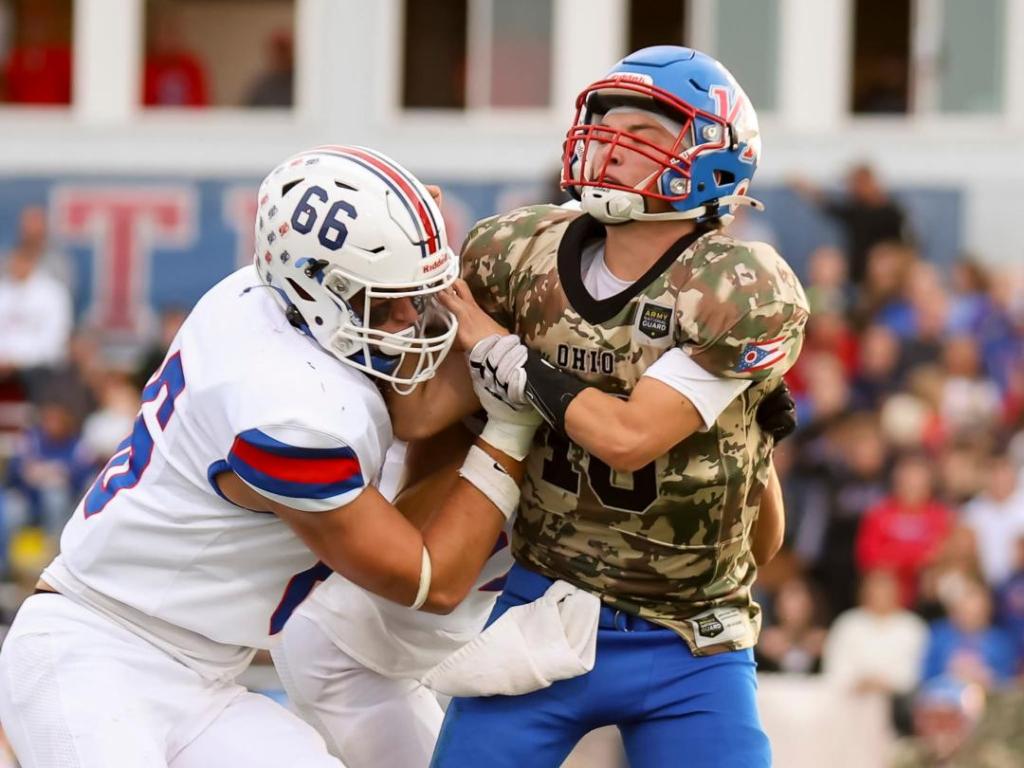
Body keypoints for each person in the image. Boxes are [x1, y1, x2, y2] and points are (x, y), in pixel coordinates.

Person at [0, 145, 538, 768]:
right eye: (383, 299)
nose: (405, 317)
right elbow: (431, 579)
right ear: (319, 291)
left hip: (206, 679)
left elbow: (407, 406)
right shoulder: (287, 411)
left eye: (409, 295)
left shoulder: (267, 296)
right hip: (96, 653)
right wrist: (511, 426)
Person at [383, 45, 808, 767]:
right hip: (550, 606)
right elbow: (419, 416)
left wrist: (508, 357)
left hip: (690, 640)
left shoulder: (738, 286)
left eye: (644, 131)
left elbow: (628, 439)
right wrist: (397, 307)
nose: (611, 143)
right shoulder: (518, 253)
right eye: (605, 120)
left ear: (712, 159)